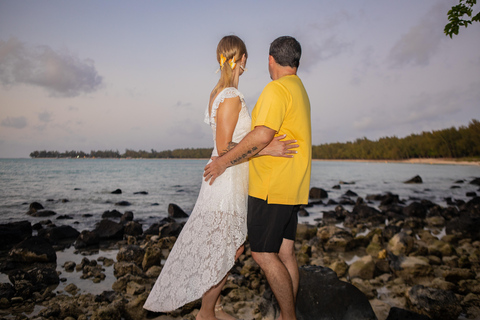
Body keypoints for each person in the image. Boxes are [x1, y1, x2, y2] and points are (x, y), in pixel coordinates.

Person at [143, 35, 298, 320]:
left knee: (231, 248)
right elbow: (224, 147)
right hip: (226, 181)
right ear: (244, 61)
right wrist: (267, 149)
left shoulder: (223, 93)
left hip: (233, 177)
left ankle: (210, 309)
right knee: (226, 249)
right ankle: (206, 312)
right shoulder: (230, 96)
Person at [204, 36, 312, 320]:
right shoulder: (299, 90)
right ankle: (284, 316)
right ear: (296, 62)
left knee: (263, 255)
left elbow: (261, 135)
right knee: (286, 253)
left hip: (271, 188)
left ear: (270, 60)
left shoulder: (276, 90)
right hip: (293, 187)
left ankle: (288, 318)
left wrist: (224, 161)